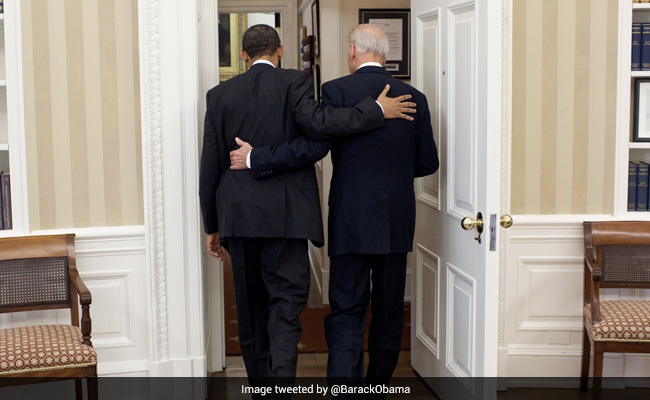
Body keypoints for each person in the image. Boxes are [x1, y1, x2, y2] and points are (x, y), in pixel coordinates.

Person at [198, 24, 416, 394]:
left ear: (243, 55)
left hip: (239, 218)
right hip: (288, 219)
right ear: (281, 51)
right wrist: (376, 110)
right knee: (285, 311)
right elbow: (319, 128)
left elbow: (211, 163)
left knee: (250, 314)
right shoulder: (295, 82)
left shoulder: (218, 95)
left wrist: (212, 225)